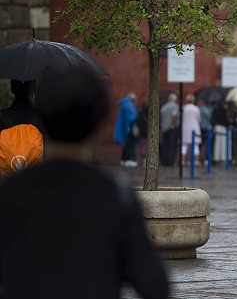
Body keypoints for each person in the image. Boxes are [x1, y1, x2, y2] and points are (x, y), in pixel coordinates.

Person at [0, 68, 169, 299]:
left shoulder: (9, 194)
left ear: (40, 117)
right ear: (99, 121)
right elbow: (155, 286)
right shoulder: (116, 197)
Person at [114, 92, 139, 167]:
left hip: (124, 127)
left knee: (126, 143)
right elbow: (133, 117)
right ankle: (129, 159)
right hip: (130, 127)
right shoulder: (130, 105)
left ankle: (124, 159)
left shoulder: (123, 105)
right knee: (130, 143)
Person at [181, 94, 202, 166]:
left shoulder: (184, 108)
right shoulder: (196, 108)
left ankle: (183, 160)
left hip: (185, 127)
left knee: (184, 145)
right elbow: (199, 119)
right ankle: (196, 160)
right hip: (195, 127)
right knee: (195, 145)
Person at [159, 93, 179, 166]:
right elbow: (174, 115)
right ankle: (170, 161)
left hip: (164, 128)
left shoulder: (163, 107)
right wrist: (173, 124)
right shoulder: (175, 107)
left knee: (165, 145)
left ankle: (165, 160)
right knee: (172, 145)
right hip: (171, 128)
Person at [211, 99, 232, 165]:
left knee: (217, 144)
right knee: (224, 145)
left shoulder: (215, 109)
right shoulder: (224, 110)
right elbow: (226, 120)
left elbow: (212, 119)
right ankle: (223, 159)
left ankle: (217, 158)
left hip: (217, 127)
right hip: (223, 128)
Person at [197, 98, 213, 165]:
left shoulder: (199, 108)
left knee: (200, 144)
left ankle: (199, 158)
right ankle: (206, 159)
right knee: (207, 144)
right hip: (208, 128)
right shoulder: (211, 109)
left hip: (201, 127)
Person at [138, 101, 149, 167]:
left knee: (143, 144)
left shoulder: (141, 113)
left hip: (143, 131)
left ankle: (144, 158)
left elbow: (139, 123)